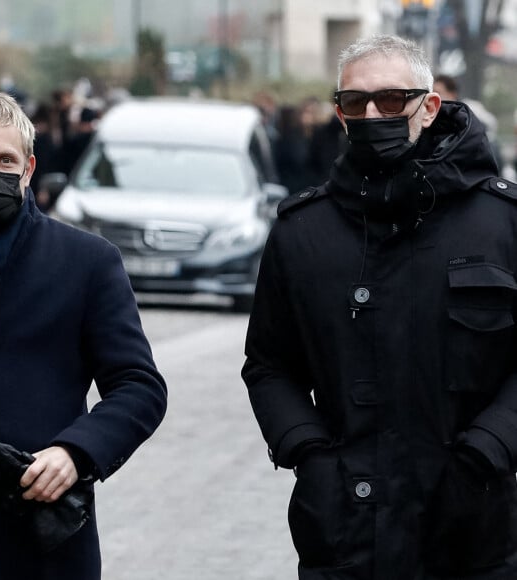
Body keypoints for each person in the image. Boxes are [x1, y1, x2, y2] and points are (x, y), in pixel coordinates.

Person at [242, 34, 517, 579]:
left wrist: (488, 449)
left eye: (391, 101)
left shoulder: (502, 222)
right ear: (339, 114)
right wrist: (310, 453)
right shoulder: (303, 231)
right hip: (345, 531)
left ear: (429, 105)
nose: (373, 114)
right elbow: (269, 364)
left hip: (475, 526)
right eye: (355, 103)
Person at [0, 92, 167, 580]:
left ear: (28, 169)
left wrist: (75, 451)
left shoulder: (87, 261)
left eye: (5, 160)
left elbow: (139, 386)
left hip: (42, 540)